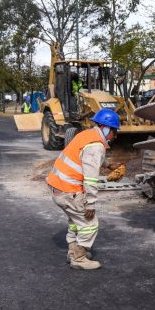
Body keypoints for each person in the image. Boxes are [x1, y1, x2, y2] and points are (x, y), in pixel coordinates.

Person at [47, 108, 119, 270]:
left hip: (58, 188)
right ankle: (79, 258)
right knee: (89, 223)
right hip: (69, 191)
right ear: (106, 129)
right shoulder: (96, 147)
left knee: (75, 221)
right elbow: (91, 180)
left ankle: (73, 251)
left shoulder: (86, 135)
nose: (115, 136)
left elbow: (85, 158)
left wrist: (107, 165)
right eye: (114, 132)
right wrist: (90, 204)